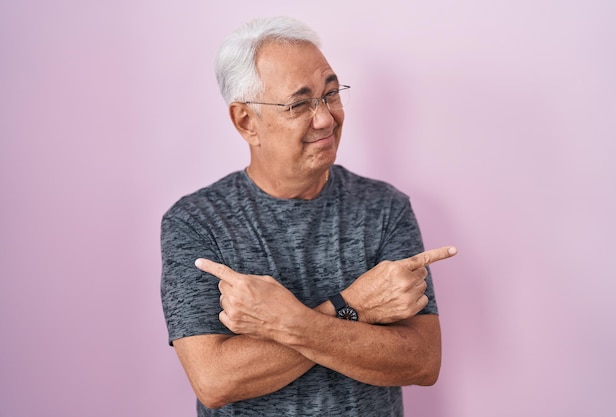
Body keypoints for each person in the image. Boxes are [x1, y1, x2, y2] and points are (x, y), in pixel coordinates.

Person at [160, 16, 457, 417]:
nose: (325, 118)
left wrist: (289, 322)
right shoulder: (195, 222)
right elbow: (215, 380)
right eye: (299, 104)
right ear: (246, 121)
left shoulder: (384, 207)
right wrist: (355, 305)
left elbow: (422, 361)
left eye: (330, 95)